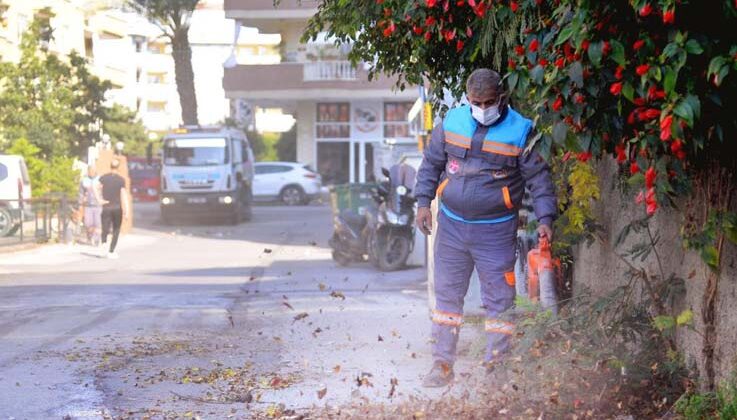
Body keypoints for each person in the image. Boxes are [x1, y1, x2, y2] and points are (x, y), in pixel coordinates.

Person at [414, 68, 557, 387]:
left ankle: (497, 369)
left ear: (501, 98)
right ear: (467, 99)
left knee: (499, 303)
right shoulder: (451, 123)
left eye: (488, 102)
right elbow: (431, 165)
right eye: (476, 102)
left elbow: (540, 180)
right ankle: (441, 365)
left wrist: (546, 219)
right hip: (451, 227)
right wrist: (424, 203)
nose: (482, 108)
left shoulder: (521, 131)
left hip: (495, 232)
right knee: (447, 300)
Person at [99, 159, 129, 259]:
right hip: (117, 207)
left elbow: (95, 186)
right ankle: (111, 251)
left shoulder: (103, 178)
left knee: (105, 227)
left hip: (106, 206)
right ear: (118, 167)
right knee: (116, 229)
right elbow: (123, 195)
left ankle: (103, 243)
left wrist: (99, 199)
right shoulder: (121, 180)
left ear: (110, 166)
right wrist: (127, 210)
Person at [78, 165, 105, 246]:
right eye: (90, 171)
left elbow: (104, 191)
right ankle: (89, 237)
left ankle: (97, 239)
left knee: (98, 223)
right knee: (88, 223)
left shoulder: (100, 180)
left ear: (95, 171)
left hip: (98, 205)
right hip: (88, 205)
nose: (91, 172)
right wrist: (80, 203)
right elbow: (80, 193)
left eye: (93, 170)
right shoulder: (84, 180)